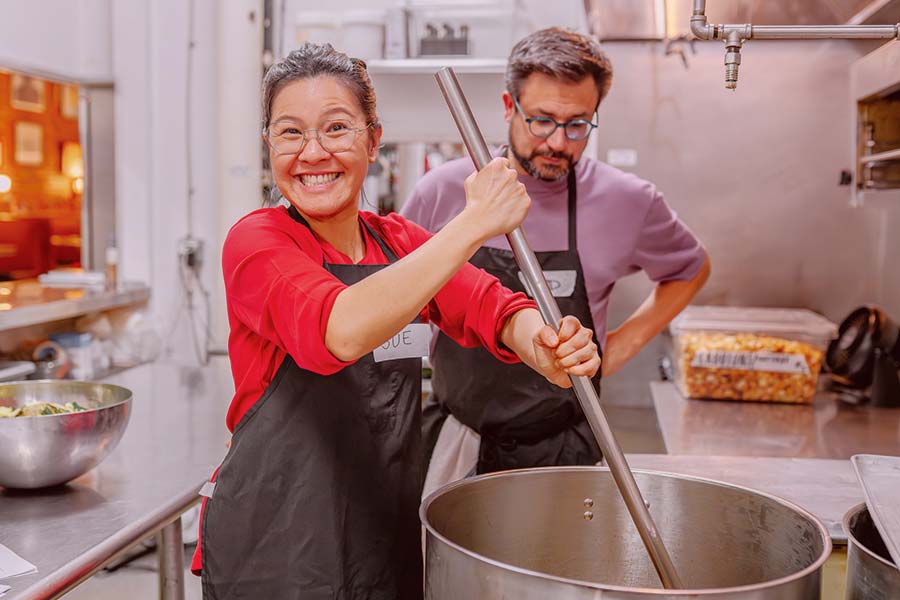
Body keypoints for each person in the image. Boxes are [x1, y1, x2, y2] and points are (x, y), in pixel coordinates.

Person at [190, 43, 600, 599]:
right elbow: (338, 330)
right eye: (290, 133)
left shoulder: (397, 242)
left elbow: (491, 307)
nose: (313, 152)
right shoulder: (259, 241)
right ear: (269, 145)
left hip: (380, 534)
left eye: (336, 128)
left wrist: (542, 346)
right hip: (276, 544)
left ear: (373, 140)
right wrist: (473, 224)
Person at [401, 27, 710, 488]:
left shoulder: (628, 201)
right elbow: (400, 295)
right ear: (510, 108)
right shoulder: (442, 192)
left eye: (578, 124)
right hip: (459, 437)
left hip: (566, 449)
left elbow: (691, 268)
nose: (559, 143)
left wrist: (619, 345)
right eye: (541, 120)